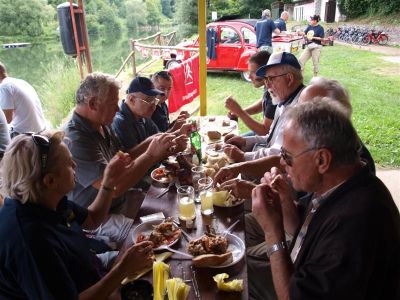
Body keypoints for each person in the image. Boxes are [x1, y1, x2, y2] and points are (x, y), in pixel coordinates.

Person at [250, 101, 400, 299]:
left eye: (287, 156)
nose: (281, 162)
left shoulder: (356, 223)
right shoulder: (339, 182)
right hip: (301, 267)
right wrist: (284, 201)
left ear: (322, 160)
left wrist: (272, 232)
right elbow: (304, 232)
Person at [0, 131, 155, 299]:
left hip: (90, 267)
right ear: (50, 180)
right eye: (69, 163)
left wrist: (108, 182)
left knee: (155, 255)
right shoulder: (29, 240)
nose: (75, 165)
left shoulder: (44, 197)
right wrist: (122, 269)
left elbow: (92, 219)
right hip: (85, 290)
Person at [65, 73, 176, 216]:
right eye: (113, 104)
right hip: (98, 217)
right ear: (93, 104)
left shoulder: (101, 123)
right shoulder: (75, 140)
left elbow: (125, 159)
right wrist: (151, 155)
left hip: (122, 200)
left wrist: (153, 140)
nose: (118, 109)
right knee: (165, 218)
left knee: (171, 206)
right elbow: (114, 187)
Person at [220, 52, 304, 166]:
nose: (267, 85)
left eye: (271, 79)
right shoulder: (284, 100)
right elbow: (270, 138)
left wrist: (243, 157)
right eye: (266, 79)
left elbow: (278, 155)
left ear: (289, 78)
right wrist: (244, 141)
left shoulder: (300, 110)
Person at [112, 76, 188, 153]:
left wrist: (179, 132)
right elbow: (131, 159)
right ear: (132, 99)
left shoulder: (144, 116)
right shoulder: (120, 122)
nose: (154, 107)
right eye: (149, 100)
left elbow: (159, 138)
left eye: (154, 101)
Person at [225, 51, 277, 136]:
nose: (249, 76)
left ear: (265, 71)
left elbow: (265, 132)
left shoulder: (275, 93)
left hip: (270, 141)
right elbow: (263, 103)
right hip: (267, 136)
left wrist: (240, 112)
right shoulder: (268, 84)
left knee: (231, 143)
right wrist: (241, 112)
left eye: (253, 72)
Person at [0, 61, 46, 137]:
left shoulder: (4, 87)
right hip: (41, 131)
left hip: (24, 135)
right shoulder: (21, 82)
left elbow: (6, 120)